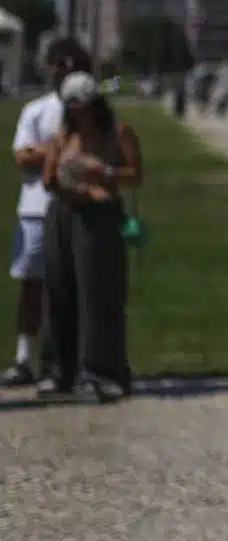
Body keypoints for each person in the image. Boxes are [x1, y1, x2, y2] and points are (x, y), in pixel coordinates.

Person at [40, 71, 143, 401]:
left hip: (101, 217)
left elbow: (135, 174)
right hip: (65, 213)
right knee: (60, 289)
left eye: (85, 108)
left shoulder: (118, 133)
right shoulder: (63, 136)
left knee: (98, 293)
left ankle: (101, 371)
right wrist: (78, 188)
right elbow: (49, 177)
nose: (80, 116)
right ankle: (60, 369)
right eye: (74, 110)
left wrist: (106, 172)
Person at [6, 40, 92, 387]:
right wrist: (61, 151)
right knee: (31, 285)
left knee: (76, 288)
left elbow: (102, 151)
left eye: (68, 63)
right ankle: (24, 358)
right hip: (36, 209)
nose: (62, 70)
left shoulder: (91, 111)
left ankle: (70, 362)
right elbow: (22, 157)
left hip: (78, 207)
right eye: (56, 63)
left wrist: (52, 154)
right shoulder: (36, 110)